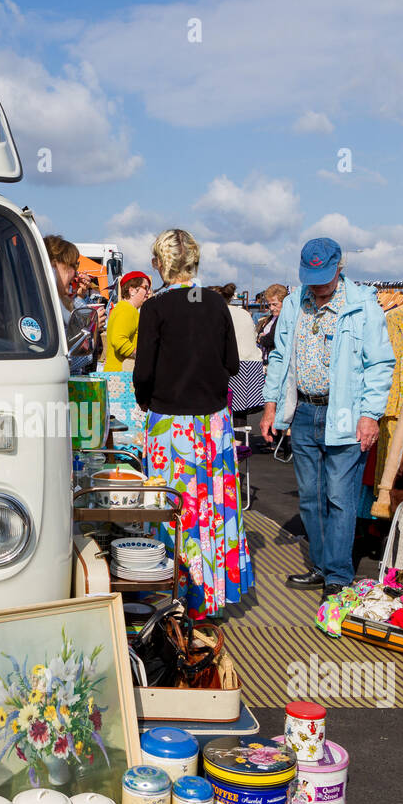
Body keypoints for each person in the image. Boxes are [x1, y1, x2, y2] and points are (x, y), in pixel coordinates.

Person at [259, 237, 395, 598]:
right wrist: (271, 406)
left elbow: (380, 364)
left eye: (323, 274)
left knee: (338, 495)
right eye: (310, 275)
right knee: (310, 497)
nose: (316, 283)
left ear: (340, 266)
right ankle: (321, 565)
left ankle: (338, 574)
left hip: (345, 414)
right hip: (303, 410)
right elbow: (279, 358)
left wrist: (370, 415)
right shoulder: (293, 303)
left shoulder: (363, 305)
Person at [134, 228, 254, 619]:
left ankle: (175, 591)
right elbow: (232, 365)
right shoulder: (216, 303)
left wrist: (147, 400)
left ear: (159, 263)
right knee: (212, 509)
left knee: (174, 509)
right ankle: (211, 595)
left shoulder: (154, 308)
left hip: (170, 424)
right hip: (213, 423)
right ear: (194, 261)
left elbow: (144, 373)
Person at [45, 234, 106, 372]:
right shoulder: (46, 306)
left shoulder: (61, 301)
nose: (76, 273)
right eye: (72, 265)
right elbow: (66, 361)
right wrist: (92, 329)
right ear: (53, 266)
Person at [104, 270, 151, 370]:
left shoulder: (123, 308)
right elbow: (119, 340)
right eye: (146, 288)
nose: (149, 292)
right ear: (132, 290)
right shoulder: (127, 310)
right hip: (120, 376)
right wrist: (142, 356)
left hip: (117, 375)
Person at [221, 282, 262, 361]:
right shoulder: (245, 313)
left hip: (237, 361)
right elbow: (254, 335)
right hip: (255, 362)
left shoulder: (222, 313)